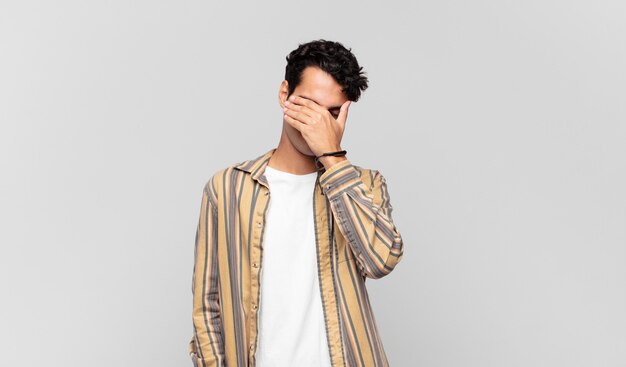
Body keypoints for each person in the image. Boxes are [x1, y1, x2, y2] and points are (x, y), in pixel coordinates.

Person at [189, 39, 404, 367]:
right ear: (283, 94)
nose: (316, 124)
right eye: (307, 106)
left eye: (330, 113)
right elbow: (208, 306)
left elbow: (380, 261)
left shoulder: (365, 185)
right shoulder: (227, 188)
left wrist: (331, 155)